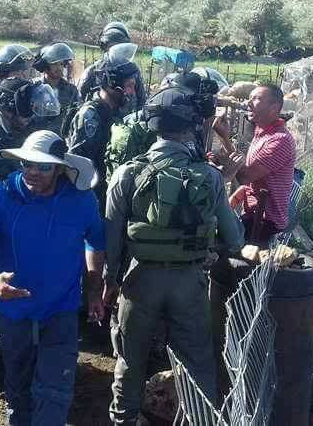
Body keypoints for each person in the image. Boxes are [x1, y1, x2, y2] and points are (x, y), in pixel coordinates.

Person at [104, 87, 244, 425]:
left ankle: (124, 419)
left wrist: (110, 282)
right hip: (190, 282)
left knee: (130, 357)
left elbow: (110, 237)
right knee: (196, 359)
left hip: (140, 281)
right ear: (191, 127)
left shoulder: (128, 174)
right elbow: (235, 238)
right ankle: (201, 419)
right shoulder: (209, 176)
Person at [0, 130, 105, 426]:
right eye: (27, 164)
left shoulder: (81, 200)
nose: (33, 172)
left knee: (55, 391)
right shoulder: (1, 197)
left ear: (60, 168)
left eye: (43, 166)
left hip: (61, 309)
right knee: (18, 387)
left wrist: (93, 285)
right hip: (13, 312)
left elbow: (96, 241)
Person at [66, 42, 140, 211]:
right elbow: (77, 167)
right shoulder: (90, 116)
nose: (132, 92)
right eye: (128, 86)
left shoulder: (119, 111)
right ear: (112, 85)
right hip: (91, 200)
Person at [227, 83, 296, 246]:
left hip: (264, 221)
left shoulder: (280, 140)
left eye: (256, 99)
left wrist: (224, 137)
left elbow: (245, 175)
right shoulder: (262, 133)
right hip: (253, 213)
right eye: (249, 98)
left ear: (274, 108)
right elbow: (251, 179)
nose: (248, 103)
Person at [0, 78, 60, 183]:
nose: (31, 117)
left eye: (35, 109)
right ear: (8, 110)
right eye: (27, 110)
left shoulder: (20, 130)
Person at [77, 22, 146, 115]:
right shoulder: (92, 72)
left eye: (119, 46)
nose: (116, 51)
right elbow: (79, 103)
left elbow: (141, 102)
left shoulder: (132, 71)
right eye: (111, 47)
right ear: (104, 47)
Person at [31, 43, 80, 135]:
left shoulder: (71, 90)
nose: (59, 68)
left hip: (61, 139)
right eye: (54, 64)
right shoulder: (33, 87)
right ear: (45, 65)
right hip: (36, 136)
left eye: (61, 64)